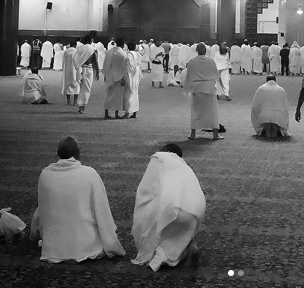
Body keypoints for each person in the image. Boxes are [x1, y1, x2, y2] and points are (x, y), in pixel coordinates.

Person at [30, 136, 125, 263]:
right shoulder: (89, 173)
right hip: (86, 244)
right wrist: (111, 241)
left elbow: (44, 210)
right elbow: (101, 209)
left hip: (54, 246)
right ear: (77, 153)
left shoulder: (46, 174)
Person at [131, 143, 204, 271]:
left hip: (172, 207)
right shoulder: (185, 167)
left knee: (151, 213)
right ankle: (190, 246)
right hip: (195, 210)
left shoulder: (159, 158)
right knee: (182, 230)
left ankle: (159, 255)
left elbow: (146, 191)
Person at [184, 42, 222, 141]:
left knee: (196, 111)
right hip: (209, 88)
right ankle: (215, 134)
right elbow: (216, 74)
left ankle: (193, 133)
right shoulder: (211, 61)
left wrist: (188, 88)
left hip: (197, 89)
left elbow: (189, 76)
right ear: (205, 51)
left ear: (196, 50)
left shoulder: (192, 62)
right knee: (212, 112)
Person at [73, 35, 99, 114]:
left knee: (81, 87)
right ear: (91, 41)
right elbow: (95, 62)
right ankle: (82, 106)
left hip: (80, 69)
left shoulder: (80, 49)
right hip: (88, 71)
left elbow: (75, 59)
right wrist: (97, 72)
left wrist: (78, 67)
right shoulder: (92, 49)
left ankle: (80, 104)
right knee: (87, 88)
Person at [102, 37, 127, 119]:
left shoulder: (110, 52)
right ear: (123, 45)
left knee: (108, 94)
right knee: (117, 96)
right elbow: (124, 67)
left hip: (110, 75)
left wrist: (105, 74)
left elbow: (106, 63)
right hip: (119, 77)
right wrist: (123, 78)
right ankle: (116, 114)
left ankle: (106, 113)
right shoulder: (123, 54)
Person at [123, 40, 142, 119]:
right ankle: (134, 113)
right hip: (136, 75)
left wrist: (123, 78)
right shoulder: (138, 55)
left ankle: (127, 113)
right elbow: (138, 65)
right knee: (135, 94)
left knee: (128, 94)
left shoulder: (128, 56)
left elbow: (128, 67)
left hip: (130, 75)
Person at [62, 41, 79, 106]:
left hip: (67, 69)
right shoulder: (76, 52)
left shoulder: (66, 52)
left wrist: (63, 68)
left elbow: (64, 61)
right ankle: (75, 101)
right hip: (75, 70)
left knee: (68, 85)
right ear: (75, 45)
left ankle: (68, 101)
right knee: (76, 85)